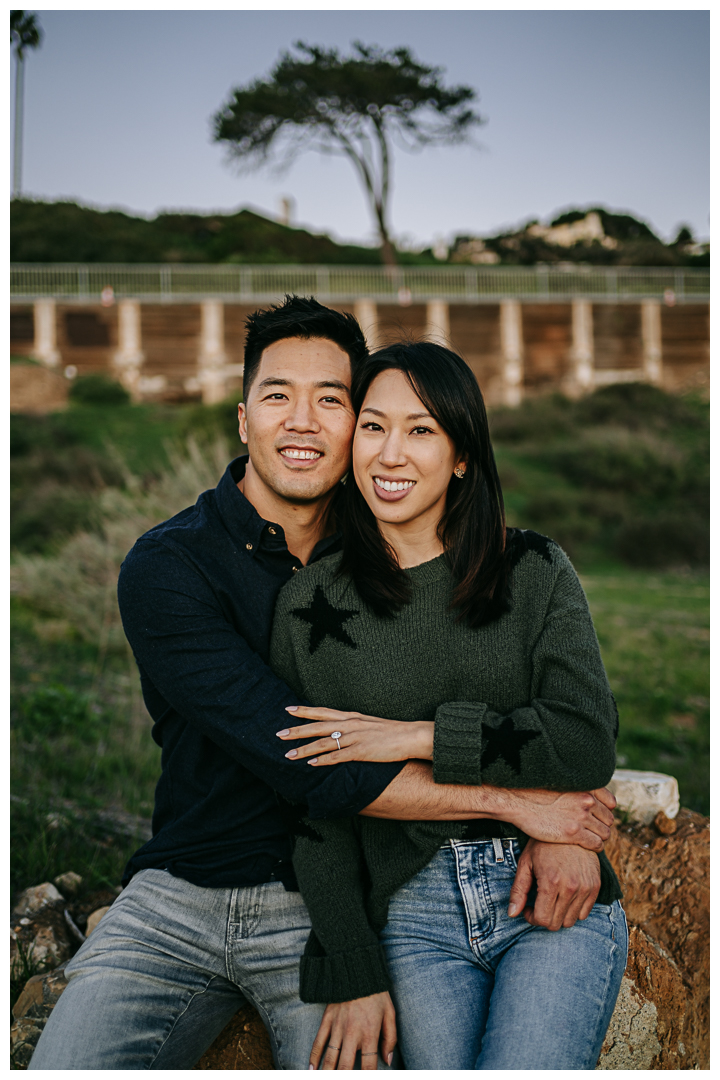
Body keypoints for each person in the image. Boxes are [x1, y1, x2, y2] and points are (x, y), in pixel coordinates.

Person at [29, 298, 616, 1070]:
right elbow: (312, 757)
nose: (303, 422)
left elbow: (559, 700)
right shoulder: (172, 567)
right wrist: (528, 807)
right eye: (278, 396)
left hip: (322, 901)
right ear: (244, 420)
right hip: (186, 889)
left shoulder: (402, 529)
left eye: (333, 401)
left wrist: (553, 823)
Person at [271, 339, 628, 1071]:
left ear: (462, 454)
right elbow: (316, 805)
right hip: (412, 910)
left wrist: (411, 735)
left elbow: (584, 739)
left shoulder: (531, 568)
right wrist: (351, 966)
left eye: (421, 429)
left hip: (547, 893)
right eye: (373, 426)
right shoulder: (311, 603)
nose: (390, 455)